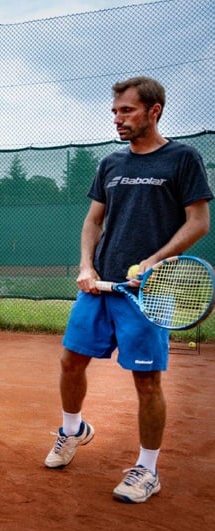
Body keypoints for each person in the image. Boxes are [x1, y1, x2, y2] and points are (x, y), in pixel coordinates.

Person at [44, 76, 212, 503]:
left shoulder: (182, 159)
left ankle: (148, 470)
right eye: (115, 111)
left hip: (150, 292)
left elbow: (198, 222)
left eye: (127, 111)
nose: (118, 119)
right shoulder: (111, 164)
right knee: (69, 362)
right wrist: (86, 265)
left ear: (153, 111)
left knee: (147, 382)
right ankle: (72, 431)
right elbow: (93, 221)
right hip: (100, 287)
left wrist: (154, 261)